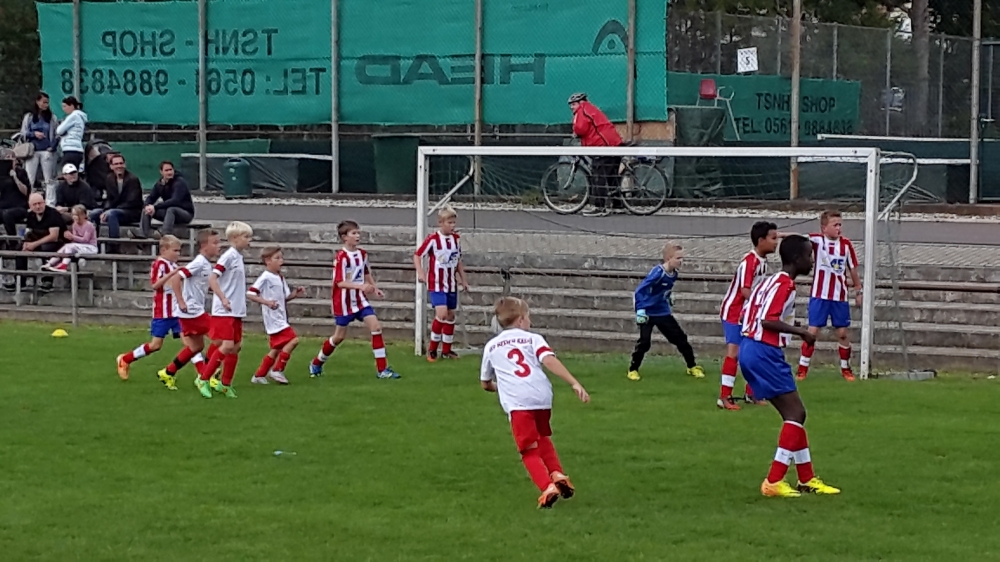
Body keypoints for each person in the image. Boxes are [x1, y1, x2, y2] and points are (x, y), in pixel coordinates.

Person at [739, 235, 840, 498]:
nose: (812, 261)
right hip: (763, 351)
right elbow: (767, 320)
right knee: (796, 413)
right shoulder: (785, 285)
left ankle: (806, 478)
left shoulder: (769, 281)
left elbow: (751, 314)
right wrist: (802, 332)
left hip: (749, 347)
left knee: (793, 415)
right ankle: (774, 480)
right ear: (796, 259)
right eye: (809, 256)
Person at [480, 296, 590, 509]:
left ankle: (547, 487)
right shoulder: (533, 339)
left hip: (519, 403)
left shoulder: (492, 346)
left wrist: (500, 387)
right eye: (529, 317)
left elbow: (485, 383)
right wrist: (574, 382)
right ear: (521, 320)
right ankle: (557, 473)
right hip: (542, 397)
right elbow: (548, 360)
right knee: (542, 437)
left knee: (528, 449)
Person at [310, 220, 401, 380]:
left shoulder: (362, 254)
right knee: (338, 337)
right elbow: (339, 282)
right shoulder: (341, 257)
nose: (358, 236)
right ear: (344, 237)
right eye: (354, 233)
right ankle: (317, 362)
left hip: (360, 300)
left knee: (376, 327)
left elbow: (366, 272)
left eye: (358, 232)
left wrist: (374, 287)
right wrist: (361, 286)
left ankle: (382, 370)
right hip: (343, 303)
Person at [717, 221, 778, 410]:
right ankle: (724, 397)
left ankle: (751, 393)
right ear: (761, 240)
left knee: (752, 353)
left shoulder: (762, 261)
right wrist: (762, 305)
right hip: (735, 312)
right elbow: (745, 291)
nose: (776, 242)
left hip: (748, 313)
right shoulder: (749, 262)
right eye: (773, 238)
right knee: (734, 353)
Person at [795, 210, 862, 382]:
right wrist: (778, 235)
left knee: (842, 333)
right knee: (812, 332)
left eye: (840, 225)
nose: (839, 228)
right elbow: (797, 237)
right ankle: (802, 368)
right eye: (835, 225)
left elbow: (853, 269)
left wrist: (858, 290)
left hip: (839, 297)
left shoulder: (846, 245)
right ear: (824, 228)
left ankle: (846, 368)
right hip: (819, 295)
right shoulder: (817, 241)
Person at [627, 243, 704, 381]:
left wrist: (668, 296)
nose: (681, 261)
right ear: (668, 258)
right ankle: (633, 370)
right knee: (644, 342)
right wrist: (640, 310)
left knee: (681, 339)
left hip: (662, 311)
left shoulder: (674, 274)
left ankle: (692, 366)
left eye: (682, 258)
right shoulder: (658, 272)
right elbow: (640, 290)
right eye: (678, 258)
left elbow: (663, 289)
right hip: (648, 312)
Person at [115, 235, 183, 384]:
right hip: (163, 312)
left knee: (190, 343)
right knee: (155, 345)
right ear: (164, 250)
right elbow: (155, 285)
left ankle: (204, 373)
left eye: (179, 251)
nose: (178, 254)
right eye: (175, 250)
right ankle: (125, 359)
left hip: (177, 311)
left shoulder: (173, 265)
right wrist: (173, 274)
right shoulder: (160, 264)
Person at [196, 221, 253, 399]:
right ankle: (203, 379)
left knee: (235, 347)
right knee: (226, 345)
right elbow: (213, 278)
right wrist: (223, 298)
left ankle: (225, 383)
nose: (249, 240)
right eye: (246, 236)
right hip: (224, 310)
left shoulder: (238, 257)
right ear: (234, 238)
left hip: (236, 310)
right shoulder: (228, 256)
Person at [160, 229, 221, 390]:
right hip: (192, 311)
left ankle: (168, 372)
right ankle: (208, 374)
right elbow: (177, 277)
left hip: (191, 311)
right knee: (220, 338)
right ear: (204, 246)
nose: (219, 246)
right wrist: (181, 300)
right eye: (215, 243)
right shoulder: (199, 262)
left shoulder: (205, 264)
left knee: (196, 347)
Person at [413, 205, 469, 362]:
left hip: (451, 283)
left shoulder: (456, 239)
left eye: (454, 222)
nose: (452, 226)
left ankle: (446, 350)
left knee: (450, 316)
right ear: (440, 223)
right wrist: (421, 273)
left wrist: (463, 279)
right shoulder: (433, 239)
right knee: (442, 314)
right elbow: (417, 255)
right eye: (449, 223)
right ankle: (432, 349)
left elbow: (457, 261)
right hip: (436, 283)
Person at [247, 246, 306, 385]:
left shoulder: (280, 277)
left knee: (276, 348)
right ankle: (278, 369)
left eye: (281, 257)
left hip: (281, 317)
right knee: (293, 340)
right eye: (277, 258)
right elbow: (250, 293)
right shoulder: (265, 277)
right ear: (268, 261)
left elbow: (284, 298)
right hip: (273, 318)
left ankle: (259, 375)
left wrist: (295, 294)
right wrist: (266, 302)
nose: (281, 261)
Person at [568, 92, 622, 217]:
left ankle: (599, 206)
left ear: (581, 103)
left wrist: (575, 133)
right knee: (612, 175)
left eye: (573, 104)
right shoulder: (591, 109)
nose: (571, 107)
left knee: (598, 175)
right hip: (612, 143)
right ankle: (618, 205)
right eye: (571, 105)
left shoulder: (582, 110)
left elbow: (580, 128)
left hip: (602, 145)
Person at [6, 193, 66, 293]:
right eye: (35, 204)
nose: (38, 206)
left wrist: (34, 244)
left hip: (55, 243)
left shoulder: (53, 214)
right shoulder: (31, 215)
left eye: (40, 203)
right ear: (30, 206)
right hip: (37, 240)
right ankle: (20, 281)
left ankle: (47, 280)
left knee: (47, 248)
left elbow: (53, 236)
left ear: (44, 202)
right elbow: (29, 232)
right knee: (20, 249)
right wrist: (26, 244)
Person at [89, 153, 142, 242]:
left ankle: (114, 243)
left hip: (132, 212)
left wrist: (110, 210)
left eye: (121, 163)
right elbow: (109, 199)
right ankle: (93, 242)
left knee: (112, 214)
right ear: (111, 166)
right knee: (94, 213)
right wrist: (105, 210)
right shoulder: (109, 178)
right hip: (116, 209)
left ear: (125, 165)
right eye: (116, 164)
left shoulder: (133, 179)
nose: (119, 166)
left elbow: (132, 202)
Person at [139, 161, 195, 238]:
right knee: (147, 209)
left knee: (171, 209)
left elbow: (175, 201)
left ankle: (165, 234)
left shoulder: (179, 182)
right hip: (169, 214)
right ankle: (144, 233)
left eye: (170, 170)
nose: (169, 172)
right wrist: (147, 206)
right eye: (166, 170)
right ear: (161, 172)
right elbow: (151, 197)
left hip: (185, 213)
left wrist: (155, 207)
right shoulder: (160, 184)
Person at [19, 92, 59, 194]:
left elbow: (57, 134)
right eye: (44, 102)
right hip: (31, 151)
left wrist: (52, 147)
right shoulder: (29, 117)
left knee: (49, 179)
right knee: (30, 178)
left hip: (46, 150)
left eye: (47, 103)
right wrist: (34, 134)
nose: (46, 105)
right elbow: (23, 133)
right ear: (37, 102)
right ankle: (30, 198)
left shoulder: (52, 117)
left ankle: (50, 200)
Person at [43, 205, 97, 272]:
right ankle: (50, 263)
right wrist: (69, 237)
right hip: (79, 247)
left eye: (77, 215)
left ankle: (64, 265)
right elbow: (75, 239)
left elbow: (85, 240)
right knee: (66, 246)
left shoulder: (89, 225)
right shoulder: (74, 225)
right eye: (74, 215)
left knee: (70, 246)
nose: (75, 217)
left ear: (84, 215)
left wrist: (72, 237)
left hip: (90, 248)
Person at [0, 155, 31, 247]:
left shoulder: (20, 172)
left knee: (7, 214)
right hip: (3, 206)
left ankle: (13, 242)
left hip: (19, 206)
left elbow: (26, 192)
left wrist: (15, 178)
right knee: (4, 213)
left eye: (11, 158)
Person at [55, 96, 87, 169]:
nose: (63, 109)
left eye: (65, 106)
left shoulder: (73, 116)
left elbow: (59, 131)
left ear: (72, 106)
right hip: (77, 149)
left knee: (67, 172)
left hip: (70, 149)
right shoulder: (80, 116)